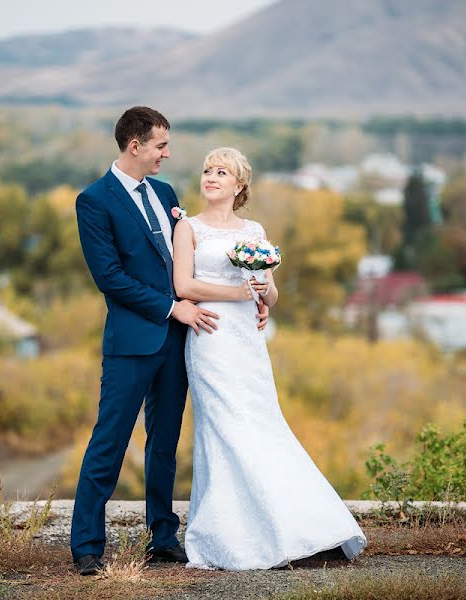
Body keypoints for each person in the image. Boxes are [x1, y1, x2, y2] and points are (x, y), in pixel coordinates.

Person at [71, 109, 268, 575]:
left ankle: (162, 536)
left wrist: (250, 296)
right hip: (132, 343)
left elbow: (189, 267)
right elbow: (110, 277)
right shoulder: (94, 201)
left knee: (165, 443)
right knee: (110, 440)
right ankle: (86, 546)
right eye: (161, 145)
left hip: (182, 341)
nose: (167, 153)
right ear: (134, 145)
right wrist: (169, 307)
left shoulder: (165, 194)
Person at [173, 147, 367, 570]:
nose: (211, 177)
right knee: (224, 430)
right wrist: (235, 294)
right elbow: (184, 285)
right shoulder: (188, 228)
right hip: (210, 338)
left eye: (221, 172)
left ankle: (301, 526)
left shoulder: (255, 229)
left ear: (239, 185)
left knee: (263, 425)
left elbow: (271, 293)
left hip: (247, 343)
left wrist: (262, 293)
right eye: (207, 170)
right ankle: (234, 534)